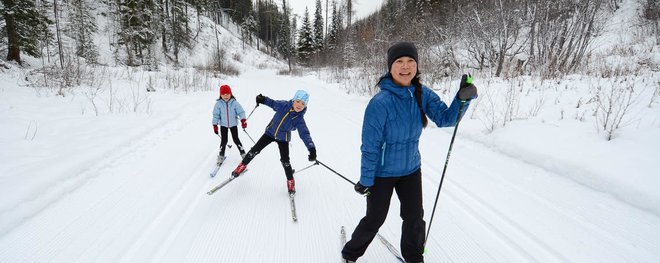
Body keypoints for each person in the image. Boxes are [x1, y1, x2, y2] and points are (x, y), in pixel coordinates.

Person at [341, 42, 478, 263]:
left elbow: (445, 119)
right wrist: (366, 180)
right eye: (400, 62)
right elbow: (370, 146)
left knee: (415, 218)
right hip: (382, 174)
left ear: (416, 66)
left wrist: (462, 99)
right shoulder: (380, 103)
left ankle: (414, 257)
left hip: (411, 169)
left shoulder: (422, 94)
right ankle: (350, 254)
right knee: (375, 219)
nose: (406, 67)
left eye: (411, 61)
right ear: (390, 67)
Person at [230, 90, 317, 194]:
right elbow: (272, 103)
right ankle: (242, 166)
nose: (299, 105)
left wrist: (311, 148)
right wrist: (263, 99)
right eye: (298, 101)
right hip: (270, 133)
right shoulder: (283, 105)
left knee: (285, 161)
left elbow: (305, 134)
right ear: (294, 100)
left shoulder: (299, 119)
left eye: (303, 103)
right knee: (254, 150)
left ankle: (290, 181)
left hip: (283, 139)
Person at [212, 84, 248, 164]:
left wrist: (243, 120)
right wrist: (215, 125)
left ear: (230, 94)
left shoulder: (234, 103)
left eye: (227, 94)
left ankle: (243, 154)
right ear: (220, 95)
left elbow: (241, 112)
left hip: (233, 124)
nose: (226, 96)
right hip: (223, 125)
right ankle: (221, 156)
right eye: (223, 94)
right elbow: (216, 115)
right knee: (224, 141)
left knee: (236, 139)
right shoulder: (218, 104)